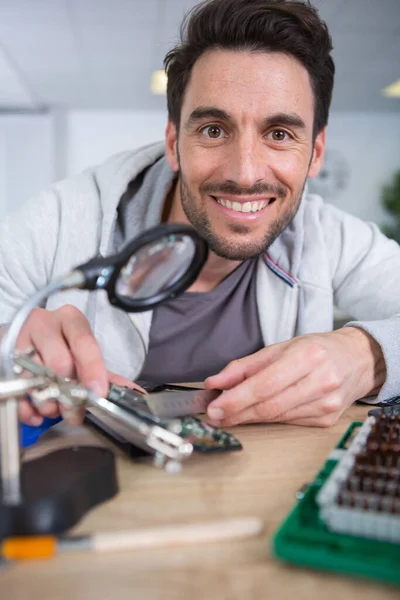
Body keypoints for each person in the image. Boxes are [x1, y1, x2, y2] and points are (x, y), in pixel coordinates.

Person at [0, 0, 399, 430]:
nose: (245, 173)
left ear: (315, 153)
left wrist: (368, 356)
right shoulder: (57, 223)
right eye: (213, 130)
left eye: (279, 134)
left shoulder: (329, 236)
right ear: (173, 142)